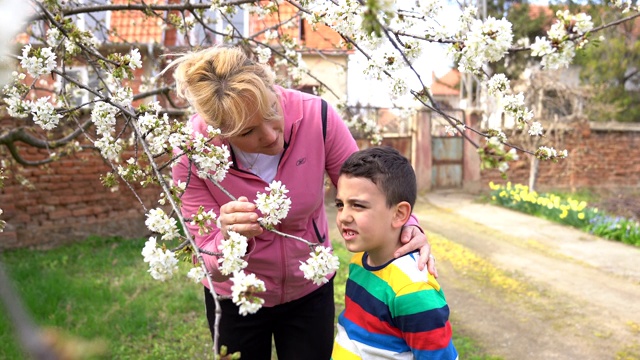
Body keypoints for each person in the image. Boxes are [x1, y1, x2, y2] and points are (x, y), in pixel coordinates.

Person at [169, 45, 436, 360]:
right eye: (248, 132)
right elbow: (206, 258)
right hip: (236, 297)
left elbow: (369, 188)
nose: (270, 135)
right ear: (221, 133)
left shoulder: (317, 116)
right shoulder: (193, 151)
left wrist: (407, 226)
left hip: (310, 289)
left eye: (271, 113)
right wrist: (228, 237)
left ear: (272, 89)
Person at [332, 146, 458, 360]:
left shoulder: (413, 291)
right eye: (340, 204)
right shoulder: (359, 262)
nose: (343, 216)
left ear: (399, 214)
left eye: (358, 206)